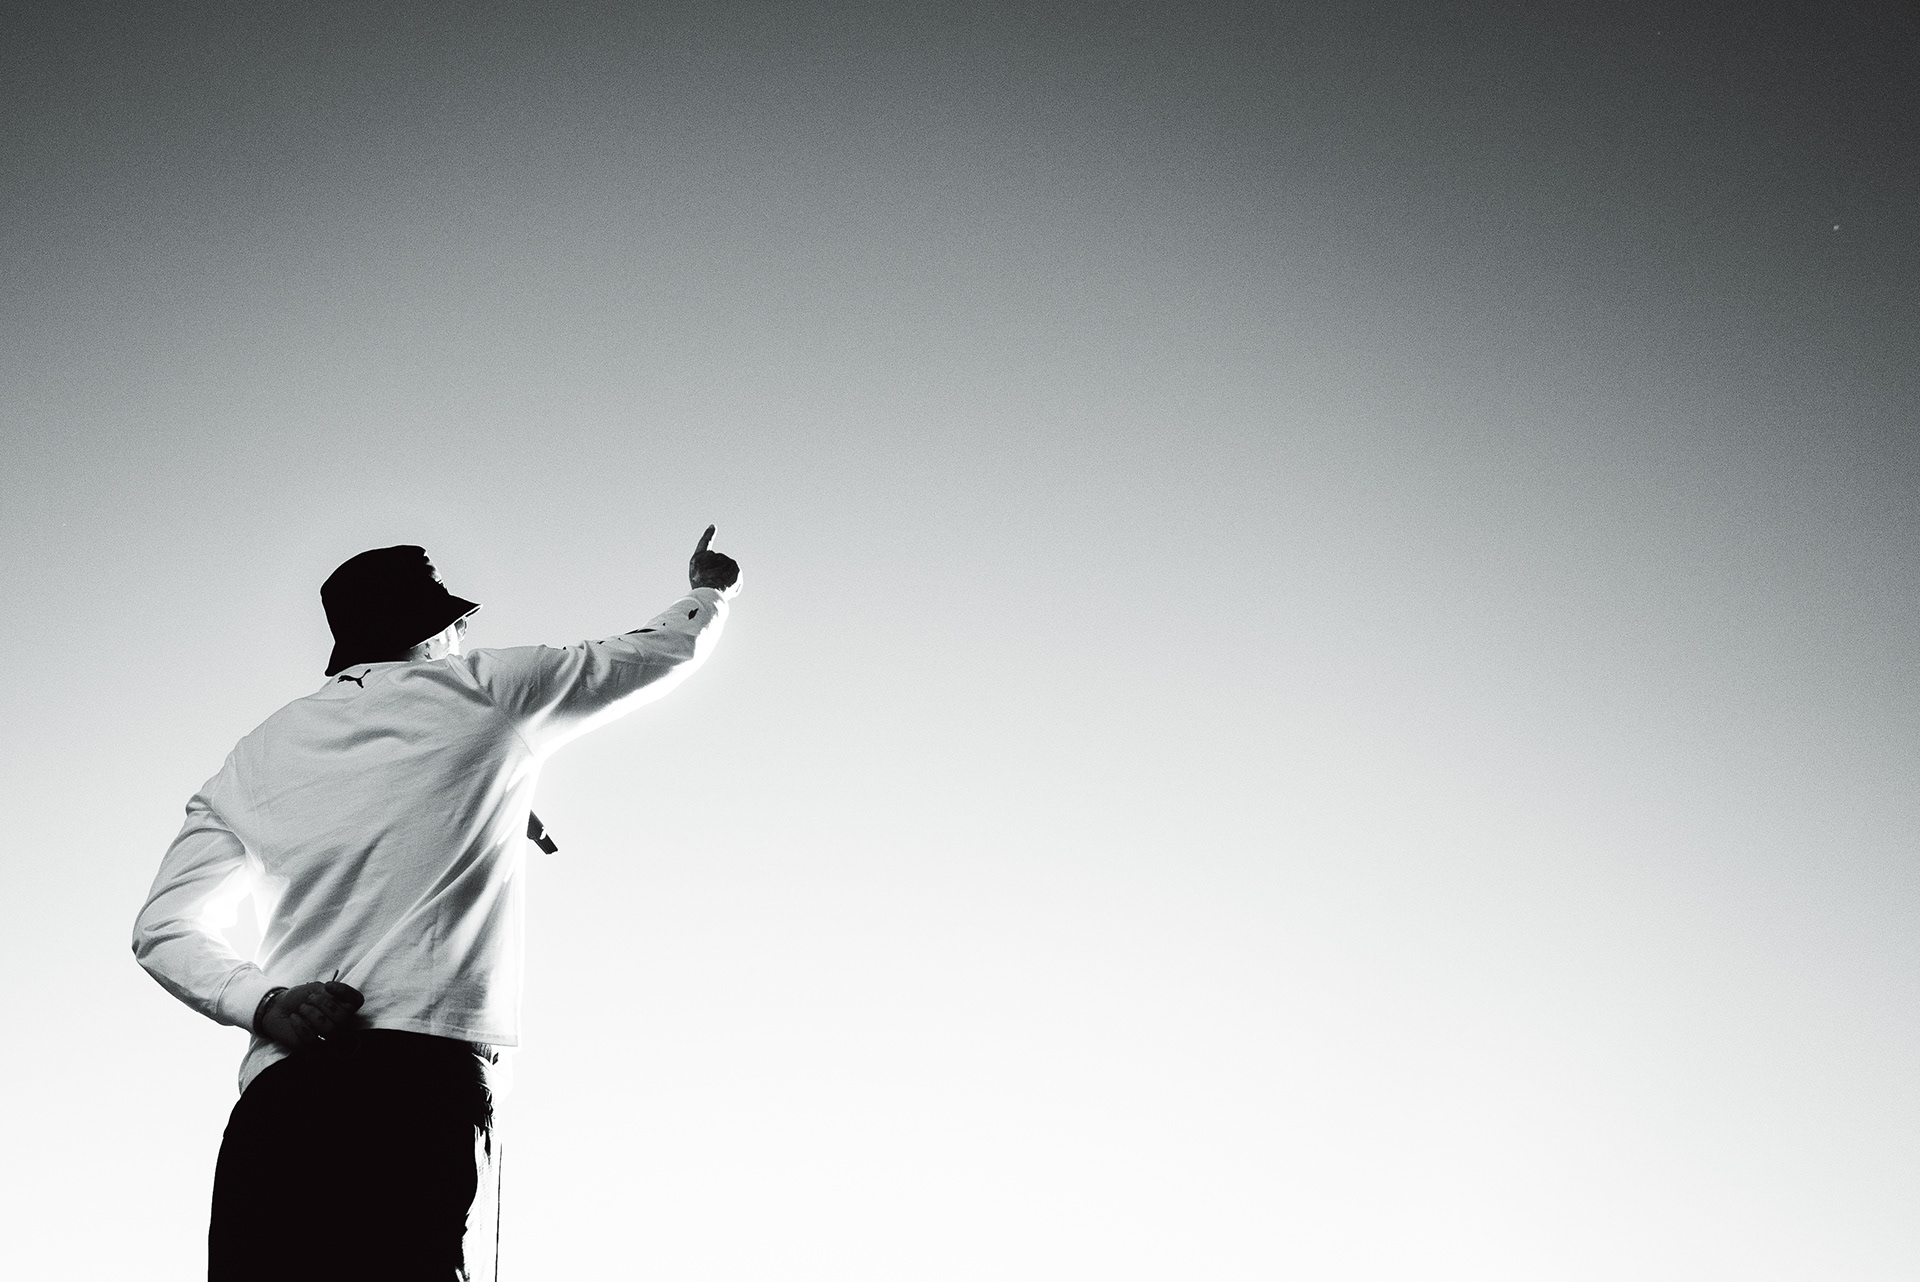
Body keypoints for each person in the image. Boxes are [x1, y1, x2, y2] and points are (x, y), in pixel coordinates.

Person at [132, 528, 742, 1280]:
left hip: (282, 1095)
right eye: (455, 624)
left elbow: (162, 927)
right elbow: (657, 651)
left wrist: (262, 1002)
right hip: (421, 1083)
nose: (461, 639)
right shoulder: (483, 691)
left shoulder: (254, 755)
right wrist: (709, 589)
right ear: (430, 632)